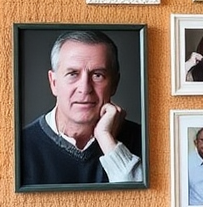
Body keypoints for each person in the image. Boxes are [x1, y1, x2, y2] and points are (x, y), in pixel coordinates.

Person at [19, 29, 142, 187]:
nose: (85, 88)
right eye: (73, 74)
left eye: (97, 75)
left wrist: (106, 140)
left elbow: (145, 206)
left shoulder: (144, 140)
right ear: (54, 83)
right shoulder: (20, 146)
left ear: (114, 84)